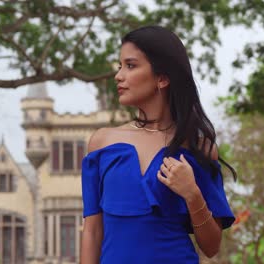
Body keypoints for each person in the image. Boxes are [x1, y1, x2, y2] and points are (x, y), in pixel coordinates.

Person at [80, 25, 236, 264]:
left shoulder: (198, 149)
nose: (118, 76)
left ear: (162, 78)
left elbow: (211, 246)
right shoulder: (102, 143)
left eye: (130, 66)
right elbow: (92, 231)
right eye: (120, 65)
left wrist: (192, 193)